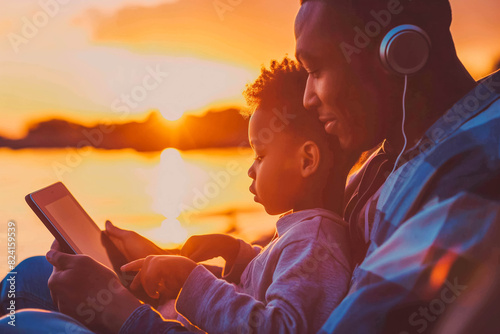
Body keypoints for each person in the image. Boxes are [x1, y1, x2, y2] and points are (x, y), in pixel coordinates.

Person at [0, 59, 354, 333]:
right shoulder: (304, 233)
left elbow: (279, 327)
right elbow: (271, 286)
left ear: (307, 160)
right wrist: (238, 254)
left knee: (22, 319)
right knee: (34, 273)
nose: (251, 169)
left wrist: (189, 278)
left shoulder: (316, 242)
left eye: (260, 156)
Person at [294, 0, 500, 333]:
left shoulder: (475, 173)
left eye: (316, 70)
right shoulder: (398, 152)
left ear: (401, 51)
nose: (308, 98)